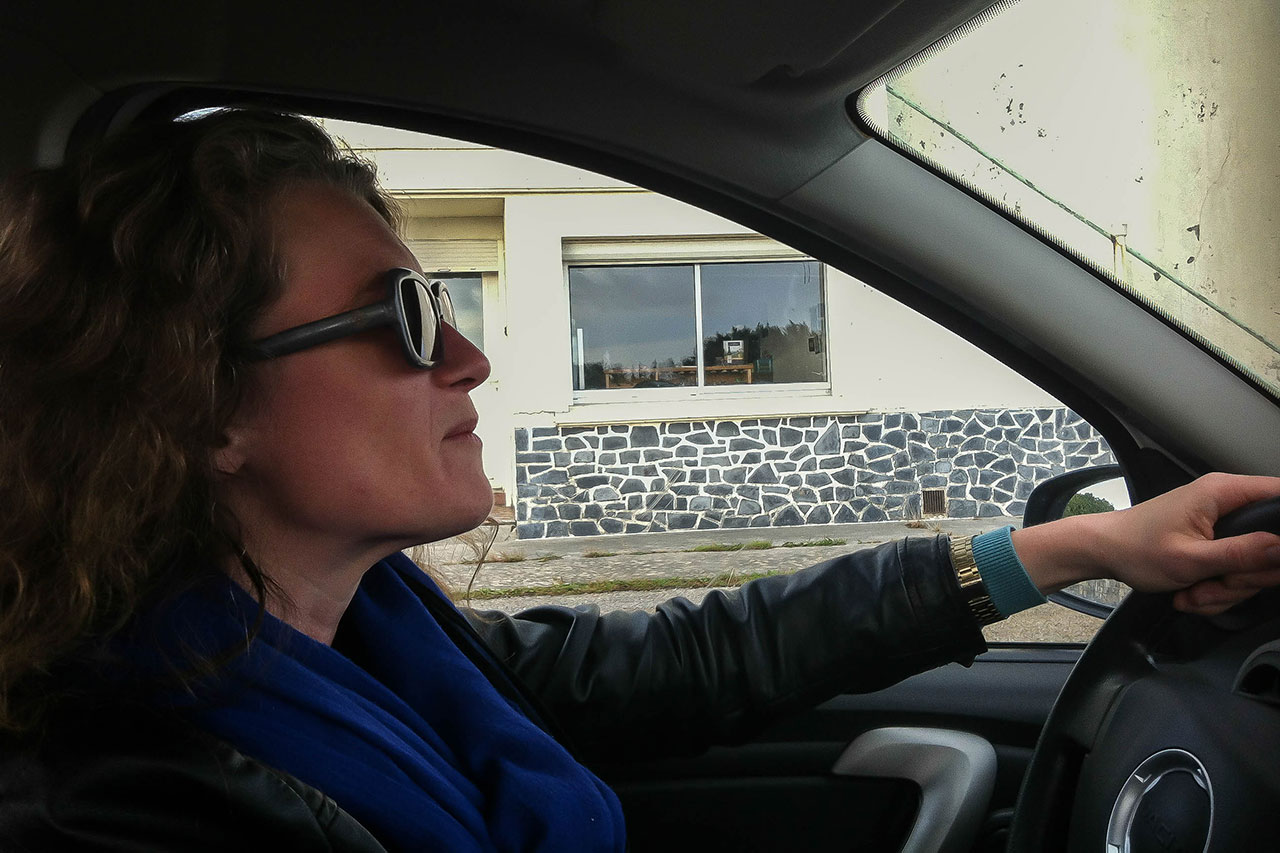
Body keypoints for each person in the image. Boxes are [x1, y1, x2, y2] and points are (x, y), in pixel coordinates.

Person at [0, 109, 1276, 851]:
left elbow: (687, 661)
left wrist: (1077, 547)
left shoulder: (376, 634)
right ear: (200, 400)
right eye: (404, 317)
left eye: (446, 306)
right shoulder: (116, 806)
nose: (470, 357)